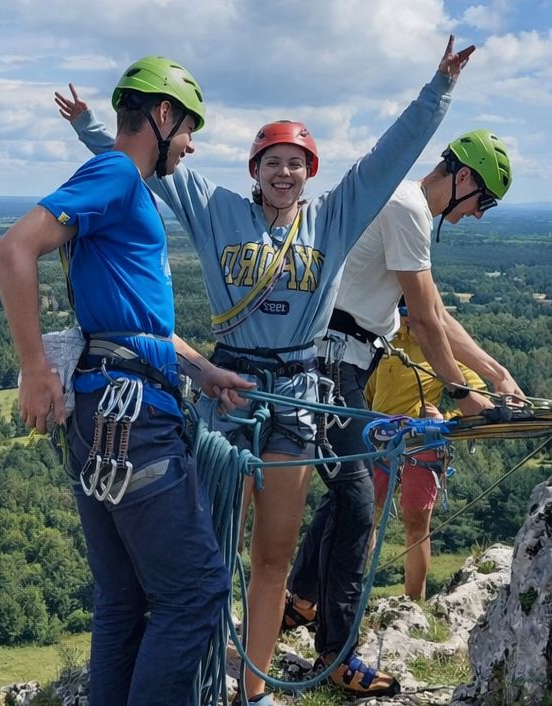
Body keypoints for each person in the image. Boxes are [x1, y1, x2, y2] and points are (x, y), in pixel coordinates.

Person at [55, 37, 474, 704]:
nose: (284, 172)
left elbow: (387, 160)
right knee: (210, 545)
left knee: (273, 556)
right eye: (272, 162)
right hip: (231, 387)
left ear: (309, 173)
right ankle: (197, 677)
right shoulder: (217, 210)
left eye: (295, 163)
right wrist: (86, 126)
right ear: (254, 171)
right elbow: (141, 161)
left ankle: (252, 691)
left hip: (299, 394)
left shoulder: (332, 220)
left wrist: (438, 91)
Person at [0, 56, 251, 705]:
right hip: (132, 421)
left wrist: (202, 370)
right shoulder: (115, 174)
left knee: (124, 598)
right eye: (187, 128)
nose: (189, 145)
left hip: (105, 411)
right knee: (195, 592)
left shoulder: (124, 188)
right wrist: (32, 369)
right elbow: (13, 249)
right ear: (162, 115)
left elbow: (139, 324)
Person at [286, 129, 523, 645]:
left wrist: (497, 373)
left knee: (346, 492)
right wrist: (462, 393)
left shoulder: (401, 203)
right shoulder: (408, 209)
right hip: (336, 364)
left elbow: (436, 313)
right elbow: (426, 321)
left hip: (337, 362)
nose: (478, 214)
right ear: (463, 178)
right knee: (355, 503)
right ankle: (337, 646)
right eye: (482, 200)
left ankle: (301, 602)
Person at [366, 317, 489, 598]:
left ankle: (413, 602)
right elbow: (368, 392)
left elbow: (478, 400)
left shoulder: (439, 348)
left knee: (416, 525)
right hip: (382, 440)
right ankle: (350, 596)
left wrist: (445, 418)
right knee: (365, 517)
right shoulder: (383, 342)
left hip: (422, 442)